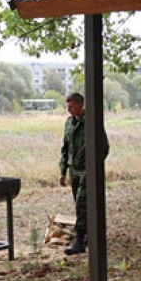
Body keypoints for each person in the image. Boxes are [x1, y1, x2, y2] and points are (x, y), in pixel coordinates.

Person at [59, 92, 109, 256]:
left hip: (88, 170)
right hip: (74, 170)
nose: (69, 110)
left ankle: (80, 240)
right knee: (80, 204)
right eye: (67, 106)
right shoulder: (69, 123)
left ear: (80, 105)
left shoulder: (91, 122)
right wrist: (62, 171)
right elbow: (65, 148)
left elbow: (103, 147)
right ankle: (88, 234)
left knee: (82, 203)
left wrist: (93, 168)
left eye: (71, 106)